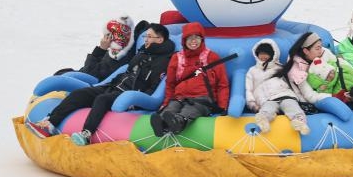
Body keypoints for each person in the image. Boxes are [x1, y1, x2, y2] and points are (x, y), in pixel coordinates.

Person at [28, 24, 175, 145]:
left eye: (149, 36)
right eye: (145, 36)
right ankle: (50, 123)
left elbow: (155, 87)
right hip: (112, 86)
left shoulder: (164, 61)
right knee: (80, 94)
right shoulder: (142, 53)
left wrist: (136, 100)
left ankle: (86, 134)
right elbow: (120, 72)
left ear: (160, 39)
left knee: (102, 100)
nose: (146, 40)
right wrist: (101, 53)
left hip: (128, 95)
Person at [150, 22, 230, 137]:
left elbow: (222, 83)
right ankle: (161, 123)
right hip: (180, 96)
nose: (193, 41)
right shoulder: (177, 58)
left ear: (202, 39)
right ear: (184, 40)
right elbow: (170, 83)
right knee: (172, 108)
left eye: (197, 37)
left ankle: (179, 121)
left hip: (203, 98)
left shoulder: (211, 57)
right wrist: (166, 102)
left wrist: (223, 106)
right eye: (190, 38)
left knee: (192, 109)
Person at [244, 39, 310, 135]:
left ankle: (299, 122)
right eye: (260, 53)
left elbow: (291, 84)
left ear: (273, 54)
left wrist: (301, 99)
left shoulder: (280, 67)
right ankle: (263, 121)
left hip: (285, 94)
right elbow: (248, 88)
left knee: (291, 106)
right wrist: (252, 104)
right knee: (267, 109)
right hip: (267, 98)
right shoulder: (252, 70)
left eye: (266, 53)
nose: (263, 56)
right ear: (256, 54)